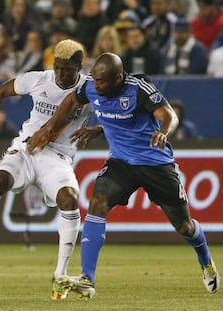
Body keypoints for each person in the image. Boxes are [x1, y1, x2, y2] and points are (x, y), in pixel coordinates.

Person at [27, 52, 220, 299]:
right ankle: (87, 279)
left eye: (102, 82)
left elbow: (169, 115)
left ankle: (205, 260)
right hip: (121, 163)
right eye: (94, 80)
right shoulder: (90, 86)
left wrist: (163, 132)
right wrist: (49, 128)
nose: (95, 86)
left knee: (184, 226)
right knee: (97, 204)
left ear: (118, 77)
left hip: (155, 163)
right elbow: (70, 102)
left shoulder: (138, 88)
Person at [0, 39, 92, 300]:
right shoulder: (38, 79)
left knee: (70, 199)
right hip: (26, 149)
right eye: (57, 67)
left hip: (57, 157)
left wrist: (97, 129)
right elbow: (1, 91)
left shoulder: (90, 88)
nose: (59, 74)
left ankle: (60, 276)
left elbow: (115, 113)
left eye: (67, 69)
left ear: (79, 67)